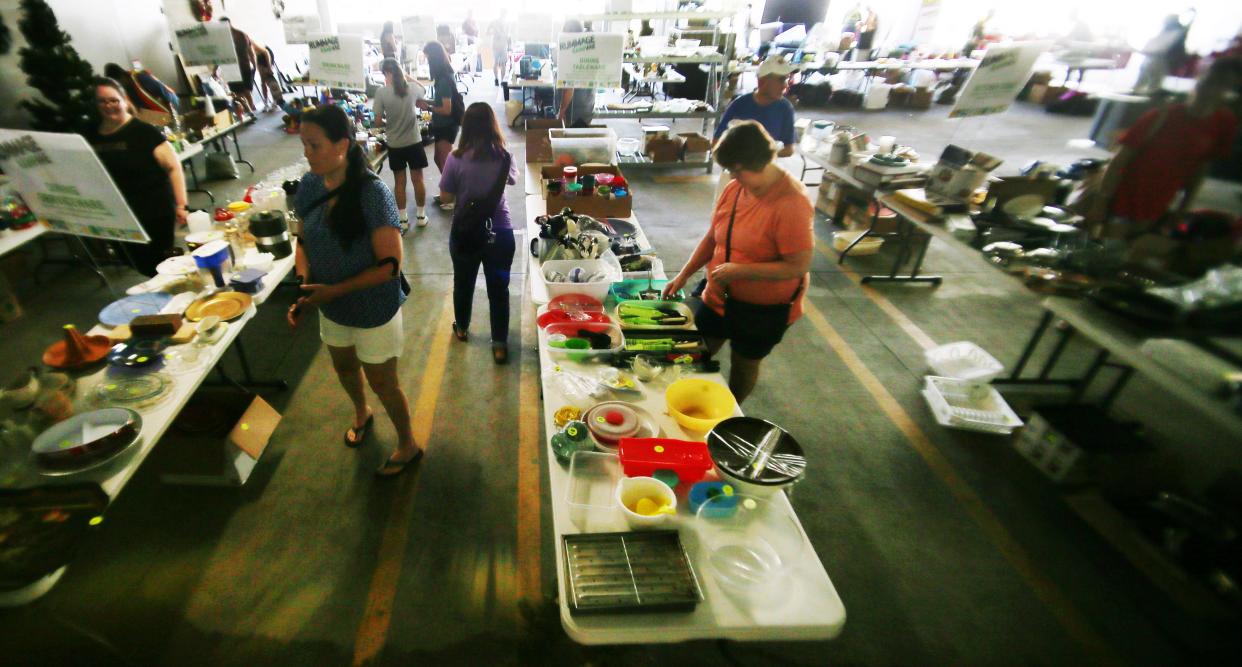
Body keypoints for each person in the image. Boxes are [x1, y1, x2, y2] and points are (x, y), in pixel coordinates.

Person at [289, 105, 422, 477]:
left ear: (342, 145)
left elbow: (390, 267)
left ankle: (407, 443)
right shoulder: (310, 184)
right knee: (344, 366)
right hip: (331, 307)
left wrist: (333, 291)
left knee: (383, 380)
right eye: (304, 145)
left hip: (372, 309)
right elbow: (302, 238)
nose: (307, 153)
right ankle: (361, 411)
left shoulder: (372, 194)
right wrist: (303, 284)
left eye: (314, 145)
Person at [662, 121, 813, 403]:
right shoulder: (736, 189)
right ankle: (686, 399)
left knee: (744, 363)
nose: (732, 176)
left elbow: (797, 265)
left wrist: (742, 271)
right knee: (696, 349)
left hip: (762, 310)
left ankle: (730, 414)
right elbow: (714, 237)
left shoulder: (791, 203)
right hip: (719, 295)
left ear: (756, 164)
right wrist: (684, 275)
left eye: (735, 170)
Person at [1090, 57, 1241, 242]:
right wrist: (1101, 201)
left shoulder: (1224, 124)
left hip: (1159, 206)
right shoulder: (1162, 116)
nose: (1211, 90)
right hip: (1123, 197)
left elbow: (1201, 169)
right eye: (1209, 81)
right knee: (1108, 250)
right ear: (1200, 78)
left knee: (1130, 256)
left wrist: (1182, 209)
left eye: (1221, 85)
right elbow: (1119, 160)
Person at [437, 102, 519, 364]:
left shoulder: (455, 158)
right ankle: (499, 345)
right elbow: (513, 179)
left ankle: (461, 328)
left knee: (463, 283)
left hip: (465, 232)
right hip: (500, 233)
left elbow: (445, 195)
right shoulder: (504, 156)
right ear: (493, 125)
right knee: (499, 289)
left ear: (466, 127)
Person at [85, 78, 189, 277]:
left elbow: (173, 167)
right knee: (134, 260)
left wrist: (181, 205)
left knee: (159, 263)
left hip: (153, 211)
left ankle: (174, 298)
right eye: (102, 101)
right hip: (119, 214)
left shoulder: (144, 133)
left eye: (113, 100)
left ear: (124, 100)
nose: (108, 105)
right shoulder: (91, 135)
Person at [712, 56, 796, 198]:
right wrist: (738, 164)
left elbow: (789, 149)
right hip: (735, 174)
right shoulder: (740, 105)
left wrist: (760, 158)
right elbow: (716, 142)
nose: (785, 85)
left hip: (765, 176)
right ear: (762, 81)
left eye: (787, 79)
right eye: (781, 80)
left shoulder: (785, 108)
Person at [373, 58, 429, 230]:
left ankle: (403, 220)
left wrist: (388, 121)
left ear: (387, 73)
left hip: (395, 144)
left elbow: (376, 122)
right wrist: (409, 77)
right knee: (418, 179)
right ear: (401, 72)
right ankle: (421, 215)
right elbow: (424, 89)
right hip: (414, 142)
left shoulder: (381, 92)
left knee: (399, 182)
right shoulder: (410, 88)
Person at [419, 41, 460, 206]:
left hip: (447, 125)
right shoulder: (444, 75)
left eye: (428, 58)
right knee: (439, 159)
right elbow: (441, 102)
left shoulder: (443, 79)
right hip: (443, 125)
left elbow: (446, 109)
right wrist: (429, 102)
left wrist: (428, 106)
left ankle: (453, 195)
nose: (426, 61)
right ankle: (448, 192)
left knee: (445, 162)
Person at [1134, 14, 1191, 93]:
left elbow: (1162, 48)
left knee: (1152, 84)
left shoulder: (1176, 33)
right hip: (1153, 60)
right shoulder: (1166, 32)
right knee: (1144, 82)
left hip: (1162, 60)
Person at [557, 19, 596, 128]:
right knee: (580, 139)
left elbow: (569, 89)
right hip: (587, 107)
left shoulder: (571, 53)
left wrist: (561, 111)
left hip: (575, 111)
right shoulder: (588, 49)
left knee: (571, 141)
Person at [103, 63, 179, 114]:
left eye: (119, 82)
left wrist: (172, 112)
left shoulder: (140, 78)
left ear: (123, 76)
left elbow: (163, 92)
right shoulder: (126, 89)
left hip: (169, 105)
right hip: (155, 116)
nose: (120, 86)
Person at [221, 18, 258, 111]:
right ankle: (247, 110)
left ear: (229, 24)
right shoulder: (223, 38)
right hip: (231, 68)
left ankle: (251, 109)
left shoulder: (242, 35)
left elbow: (251, 52)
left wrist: (254, 65)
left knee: (246, 91)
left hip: (244, 66)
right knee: (237, 92)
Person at [252, 39, 284, 110]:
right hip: (258, 58)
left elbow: (266, 52)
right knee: (262, 82)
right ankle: (266, 102)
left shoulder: (250, 43)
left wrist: (269, 67)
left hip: (266, 55)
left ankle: (276, 101)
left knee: (270, 80)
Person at [487, 11, 510, 86]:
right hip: (498, 45)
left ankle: (499, 80)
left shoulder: (505, 23)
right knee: (499, 63)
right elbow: (487, 32)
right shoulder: (495, 22)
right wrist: (494, 33)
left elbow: (507, 35)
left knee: (500, 63)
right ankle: (499, 80)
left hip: (502, 45)